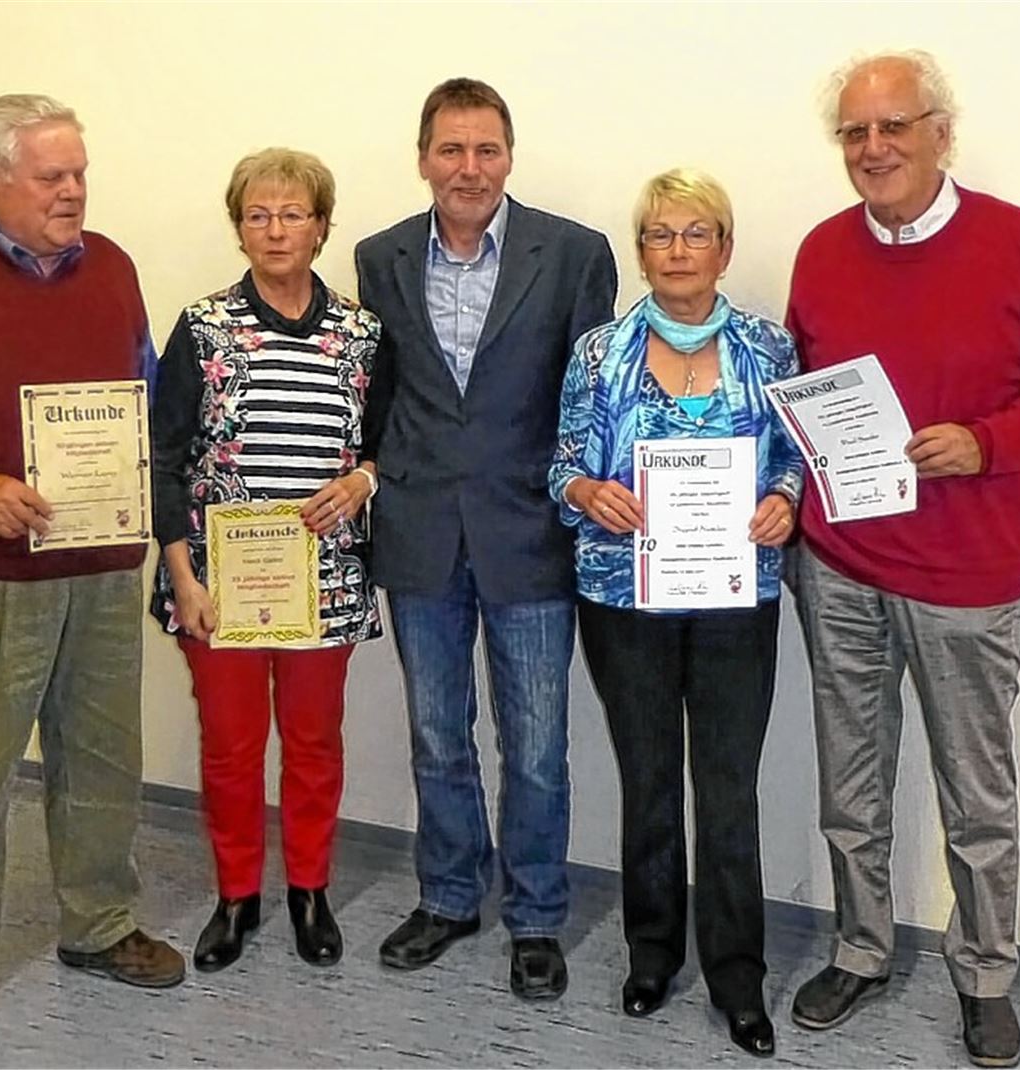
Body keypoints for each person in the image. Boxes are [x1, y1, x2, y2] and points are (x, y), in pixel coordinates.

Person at [0, 94, 184, 1048]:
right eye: (52, 176)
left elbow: (139, 394)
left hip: (100, 564)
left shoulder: (114, 268)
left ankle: (98, 926)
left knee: (103, 758)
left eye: (80, 172)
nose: (74, 192)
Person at [786, 50, 1020, 1070]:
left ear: (942, 130)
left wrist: (989, 442)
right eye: (855, 132)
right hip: (840, 564)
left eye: (894, 126)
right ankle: (861, 946)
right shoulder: (820, 250)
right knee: (852, 782)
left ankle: (982, 972)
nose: (873, 148)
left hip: (967, 573)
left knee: (976, 795)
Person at [354, 77, 616, 1000]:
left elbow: (593, 405)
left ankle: (537, 914)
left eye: (487, 150)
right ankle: (449, 896)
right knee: (436, 734)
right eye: (451, 150)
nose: (470, 169)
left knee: (537, 742)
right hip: (421, 530)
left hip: (531, 530)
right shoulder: (378, 256)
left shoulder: (575, 253)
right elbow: (378, 398)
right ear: (423, 156)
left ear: (510, 155)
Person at [548, 168, 803, 1055]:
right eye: (661, 234)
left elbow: (796, 460)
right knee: (650, 781)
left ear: (725, 248)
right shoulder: (597, 354)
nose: (679, 250)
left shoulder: (770, 351)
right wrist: (587, 490)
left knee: (727, 791)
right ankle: (650, 954)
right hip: (625, 599)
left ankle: (739, 977)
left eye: (698, 233)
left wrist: (783, 500)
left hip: (737, 599)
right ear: (641, 249)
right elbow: (560, 467)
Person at [150, 148, 381, 974]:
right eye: (258, 214)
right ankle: (237, 895)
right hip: (217, 586)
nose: (276, 228)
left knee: (316, 743)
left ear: (322, 225)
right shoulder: (205, 325)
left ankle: (310, 891)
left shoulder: (361, 334)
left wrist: (362, 478)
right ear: (239, 226)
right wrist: (184, 576)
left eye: (293, 213)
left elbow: (389, 445)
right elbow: (166, 454)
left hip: (324, 585)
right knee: (231, 746)